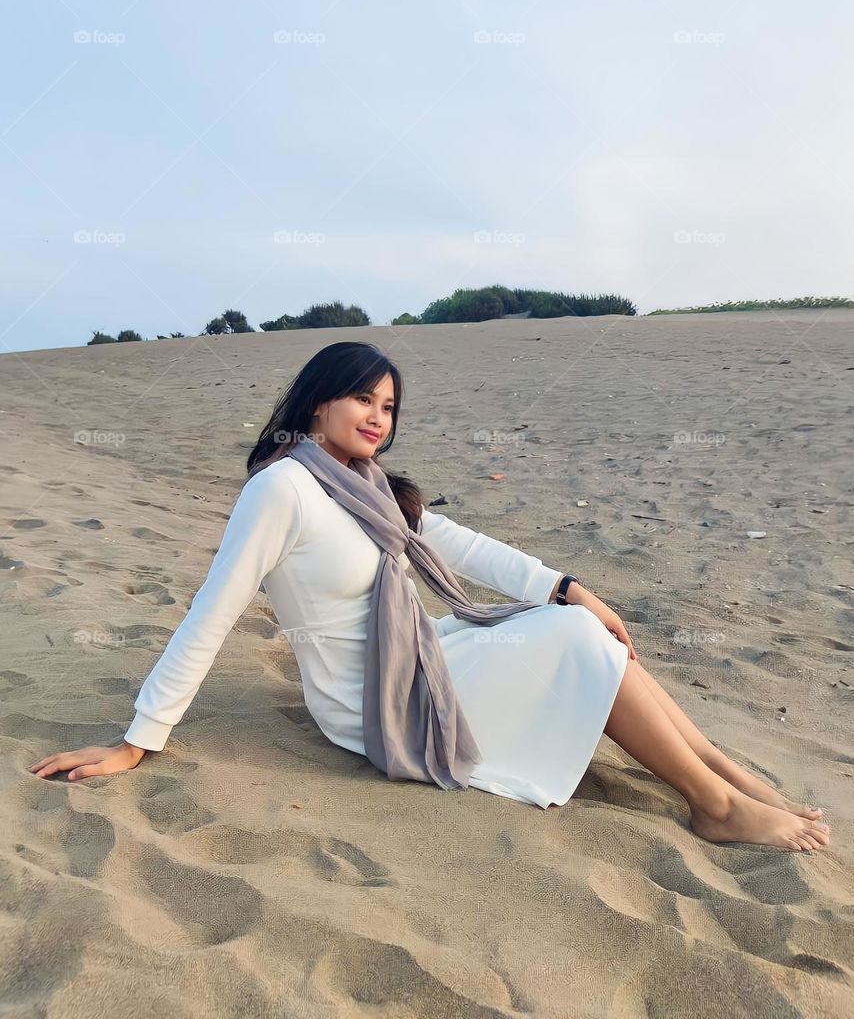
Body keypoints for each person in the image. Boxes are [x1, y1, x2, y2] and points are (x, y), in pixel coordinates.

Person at [31, 342, 830, 852]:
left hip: (426, 651)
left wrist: (568, 585)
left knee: (577, 622)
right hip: (371, 698)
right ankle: (710, 801)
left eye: (389, 407)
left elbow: (461, 545)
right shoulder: (282, 491)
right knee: (574, 642)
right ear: (317, 402)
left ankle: (722, 771)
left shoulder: (367, 486)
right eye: (363, 401)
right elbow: (211, 614)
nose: (377, 418)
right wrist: (140, 739)